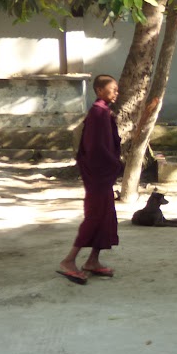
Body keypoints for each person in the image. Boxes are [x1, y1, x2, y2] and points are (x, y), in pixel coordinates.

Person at [57, 75, 123, 284]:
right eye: (112, 89)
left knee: (105, 216)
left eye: (116, 89)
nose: (116, 93)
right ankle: (68, 261)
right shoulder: (97, 113)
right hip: (97, 174)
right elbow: (95, 148)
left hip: (103, 174)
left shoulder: (104, 112)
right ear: (99, 91)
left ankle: (92, 261)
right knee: (94, 216)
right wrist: (115, 163)